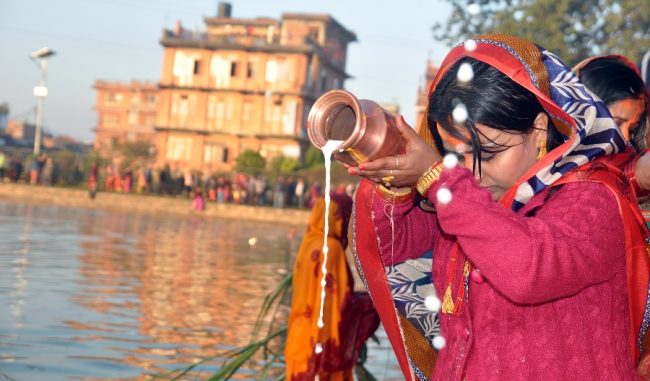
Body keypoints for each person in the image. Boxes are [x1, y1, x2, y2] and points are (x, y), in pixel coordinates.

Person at [347, 34, 650, 380]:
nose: (472, 171)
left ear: (538, 130)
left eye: (489, 153)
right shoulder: (466, 200)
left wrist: (441, 179)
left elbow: (530, 270)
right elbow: (396, 250)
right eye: (454, 154)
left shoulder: (592, 197)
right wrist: (396, 182)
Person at [285, 193, 379, 380]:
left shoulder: (309, 242)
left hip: (301, 339)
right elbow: (340, 304)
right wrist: (374, 302)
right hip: (323, 343)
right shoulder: (332, 249)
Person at [575, 55, 650, 196]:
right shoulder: (552, 168)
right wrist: (635, 177)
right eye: (616, 124)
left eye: (633, 130)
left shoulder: (637, 155)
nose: (626, 138)